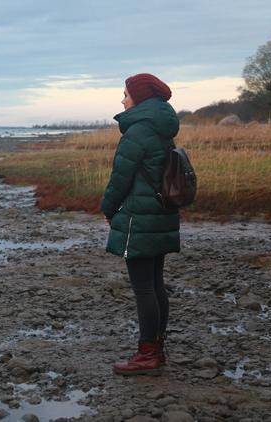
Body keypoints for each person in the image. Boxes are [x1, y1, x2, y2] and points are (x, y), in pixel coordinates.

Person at [101, 73, 180, 376]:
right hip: (160, 213)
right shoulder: (163, 128)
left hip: (140, 216)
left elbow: (120, 178)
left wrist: (108, 208)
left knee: (144, 288)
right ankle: (156, 349)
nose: (122, 100)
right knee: (156, 285)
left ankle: (147, 355)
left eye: (125, 94)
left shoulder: (137, 131)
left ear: (140, 98)